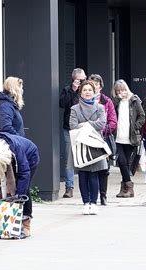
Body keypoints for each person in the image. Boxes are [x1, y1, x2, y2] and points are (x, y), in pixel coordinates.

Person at [0, 133, 40, 237]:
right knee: (0, 183)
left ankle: (25, 223)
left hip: (30, 156)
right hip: (5, 156)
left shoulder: (16, 150)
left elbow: (24, 173)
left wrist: (18, 197)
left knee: (23, 188)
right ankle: (3, 222)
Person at [69, 80, 106, 215]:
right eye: (84, 90)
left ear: (94, 91)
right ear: (81, 92)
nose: (87, 92)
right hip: (80, 144)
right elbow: (73, 125)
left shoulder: (100, 107)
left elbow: (101, 124)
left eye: (90, 90)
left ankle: (94, 203)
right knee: (83, 175)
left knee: (94, 175)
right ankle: (85, 203)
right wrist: (91, 125)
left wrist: (84, 124)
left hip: (95, 144)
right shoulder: (74, 109)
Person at [111, 79, 145, 198]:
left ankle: (125, 188)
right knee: (121, 162)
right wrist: (117, 99)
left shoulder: (134, 100)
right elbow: (109, 112)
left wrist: (136, 127)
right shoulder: (115, 102)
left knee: (125, 163)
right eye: (118, 91)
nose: (121, 92)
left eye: (123, 89)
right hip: (118, 137)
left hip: (130, 137)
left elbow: (142, 116)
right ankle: (128, 187)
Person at [89, 74, 117, 205]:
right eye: (91, 84)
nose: (94, 86)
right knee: (90, 168)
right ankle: (91, 196)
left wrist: (102, 129)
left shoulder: (107, 101)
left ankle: (103, 195)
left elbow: (113, 121)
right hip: (88, 138)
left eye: (96, 84)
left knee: (104, 169)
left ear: (100, 86)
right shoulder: (83, 100)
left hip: (103, 138)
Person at [59, 68, 86, 198]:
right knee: (70, 158)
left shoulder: (87, 90)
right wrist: (73, 90)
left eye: (84, 79)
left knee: (85, 157)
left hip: (84, 128)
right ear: (74, 79)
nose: (82, 82)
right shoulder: (67, 89)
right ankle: (69, 187)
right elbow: (62, 103)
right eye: (80, 80)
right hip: (69, 128)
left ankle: (85, 186)